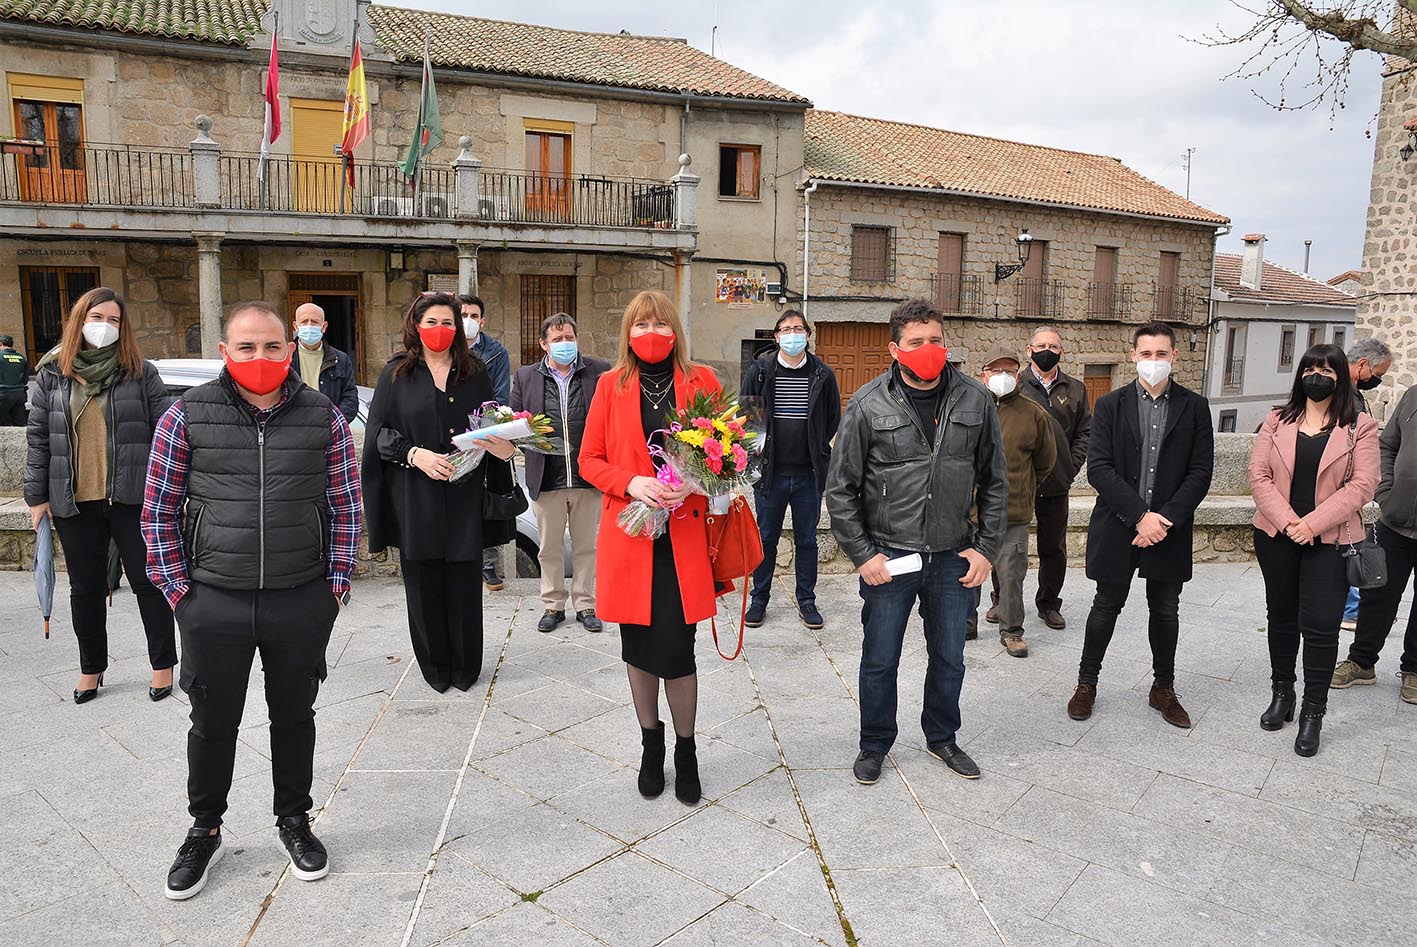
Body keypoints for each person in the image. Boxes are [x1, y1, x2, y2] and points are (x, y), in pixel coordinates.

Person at [141, 300, 361, 900]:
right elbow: (157, 511)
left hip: (300, 596)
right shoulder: (185, 415)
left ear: (290, 350)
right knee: (212, 721)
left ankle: (294, 820)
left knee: (295, 717)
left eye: (271, 346)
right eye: (246, 347)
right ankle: (204, 829)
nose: (259, 358)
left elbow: (345, 506)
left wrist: (334, 587)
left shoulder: (324, 417)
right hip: (214, 599)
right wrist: (179, 593)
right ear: (224, 352)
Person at [826, 297, 1008, 786]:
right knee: (880, 658)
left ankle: (942, 737)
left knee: (950, 657)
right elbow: (840, 488)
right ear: (894, 348)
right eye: (916, 342)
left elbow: (995, 481)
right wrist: (864, 556)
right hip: (891, 556)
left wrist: (985, 547)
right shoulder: (866, 404)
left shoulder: (975, 398)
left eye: (936, 340)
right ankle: (874, 744)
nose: (928, 350)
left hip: (953, 556)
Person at [579, 290, 720, 805]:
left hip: (683, 535)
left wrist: (696, 480)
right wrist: (631, 484)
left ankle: (686, 750)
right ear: (628, 333)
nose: (651, 333)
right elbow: (589, 459)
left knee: (679, 653)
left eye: (661, 324)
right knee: (638, 651)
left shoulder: (701, 380)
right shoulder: (610, 385)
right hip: (633, 535)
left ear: (675, 330)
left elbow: (727, 456)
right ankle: (650, 745)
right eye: (641, 325)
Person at [24, 288, 174, 704]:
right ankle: (91, 668)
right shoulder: (53, 374)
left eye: (114, 320)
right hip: (74, 501)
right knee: (85, 588)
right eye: (97, 317)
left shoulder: (141, 373)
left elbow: (166, 433)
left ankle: (163, 665)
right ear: (79, 320)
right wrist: (37, 497)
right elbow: (38, 440)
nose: (105, 327)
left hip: (133, 499)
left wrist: (167, 492)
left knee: (148, 584)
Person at [363, 293, 517, 692]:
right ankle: (435, 667)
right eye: (431, 322)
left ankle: (467, 667)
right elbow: (378, 435)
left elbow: (489, 425)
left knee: (466, 583)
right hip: (415, 496)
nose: (440, 330)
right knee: (423, 583)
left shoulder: (475, 372)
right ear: (415, 325)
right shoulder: (396, 374)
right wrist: (416, 455)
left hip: (465, 498)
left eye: (448, 323)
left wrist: (505, 446)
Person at [1066, 322, 1214, 729]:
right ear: (1133, 356)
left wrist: (1162, 520)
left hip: (1169, 529)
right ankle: (1086, 683)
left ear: (1174, 357)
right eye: (1146, 354)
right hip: (1119, 526)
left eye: (1161, 354)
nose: (1153, 362)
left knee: (1166, 610)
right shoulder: (1110, 405)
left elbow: (1201, 472)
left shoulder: (1195, 407)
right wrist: (1139, 516)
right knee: (1105, 606)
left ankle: (1162, 688)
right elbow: (1099, 467)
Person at [1250, 343, 1378, 757]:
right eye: (1309, 369)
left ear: (1341, 376)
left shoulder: (1360, 426)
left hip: (1332, 541)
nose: (1315, 376)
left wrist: (1311, 525)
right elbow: (1259, 475)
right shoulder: (1276, 419)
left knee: (1322, 627)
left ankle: (1313, 711)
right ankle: (1282, 693)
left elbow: (1363, 486)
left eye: (1325, 370)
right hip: (1276, 535)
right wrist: (1289, 522)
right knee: (1282, 618)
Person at [739, 309, 841, 630]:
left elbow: (832, 419)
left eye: (799, 328)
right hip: (770, 474)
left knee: (807, 540)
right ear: (776, 336)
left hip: (808, 474)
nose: (793, 334)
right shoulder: (759, 372)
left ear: (808, 335)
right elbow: (748, 419)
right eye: (786, 329)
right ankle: (759, 599)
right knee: (766, 538)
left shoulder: (822, 374)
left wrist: (814, 446)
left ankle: (807, 601)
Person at [511, 312, 610, 633]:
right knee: (549, 547)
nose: (565, 344)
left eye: (569, 337)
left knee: (586, 546)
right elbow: (515, 421)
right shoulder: (526, 377)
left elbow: (611, 417)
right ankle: (553, 605)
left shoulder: (599, 371)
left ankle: (585, 604)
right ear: (544, 344)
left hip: (588, 476)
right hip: (546, 476)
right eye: (557, 339)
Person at [1332, 379, 1417, 706]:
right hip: (1394, 522)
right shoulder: (1412, 397)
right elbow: (1388, 446)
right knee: (1376, 594)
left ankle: (1414, 669)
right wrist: (1386, 494)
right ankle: (1362, 662)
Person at [971, 344, 1056, 657]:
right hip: (970, 513)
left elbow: (1046, 462)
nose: (1003, 376)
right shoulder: (968, 408)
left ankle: (1012, 632)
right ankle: (965, 623)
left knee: (1011, 576)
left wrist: (1024, 489)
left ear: (1018, 375)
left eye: (1009, 370)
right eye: (997, 370)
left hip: (1014, 512)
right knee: (966, 573)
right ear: (984, 375)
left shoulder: (1034, 414)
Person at [1019, 325, 1091, 630]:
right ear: (1029, 350)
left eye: (1053, 345)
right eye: (1041, 345)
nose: (1047, 350)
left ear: (1061, 352)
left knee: (1054, 548)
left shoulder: (1075, 388)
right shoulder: (1014, 385)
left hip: (1056, 483)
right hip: (1018, 482)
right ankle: (1001, 600)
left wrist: (1070, 466)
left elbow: (1084, 432)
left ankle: (1049, 604)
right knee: (1010, 546)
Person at [459, 294, 513, 592]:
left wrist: (482, 429)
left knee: (486, 502)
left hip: (485, 434)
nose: (467, 319)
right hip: (452, 437)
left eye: (473, 314)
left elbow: (500, 396)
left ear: (482, 321)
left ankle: (488, 563)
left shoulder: (495, 352)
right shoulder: (444, 348)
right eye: (462, 313)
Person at [1340, 336, 1393, 631]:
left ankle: (1351, 607)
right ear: (1362, 364)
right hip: (1344, 483)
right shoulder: (1341, 392)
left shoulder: (1351, 390)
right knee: (1347, 543)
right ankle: (1349, 609)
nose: (1379, 380)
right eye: (1378, 374)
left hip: (1352, 482)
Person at [292, 302, 359, 423]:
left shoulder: (341, 360)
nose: (309, 326)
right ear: (296, 326)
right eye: (304, 321)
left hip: (329, 433)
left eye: (314, 322)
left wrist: (332, 423)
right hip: (293, 430)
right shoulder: (284, 358)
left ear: (324, 327)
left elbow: (350, 398)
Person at [0, 333, 27, 425]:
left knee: (4, 427)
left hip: (3, 395)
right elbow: (25, 379)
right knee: (20, 424)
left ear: (0, 344)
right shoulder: (21, 358)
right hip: (20, 394)